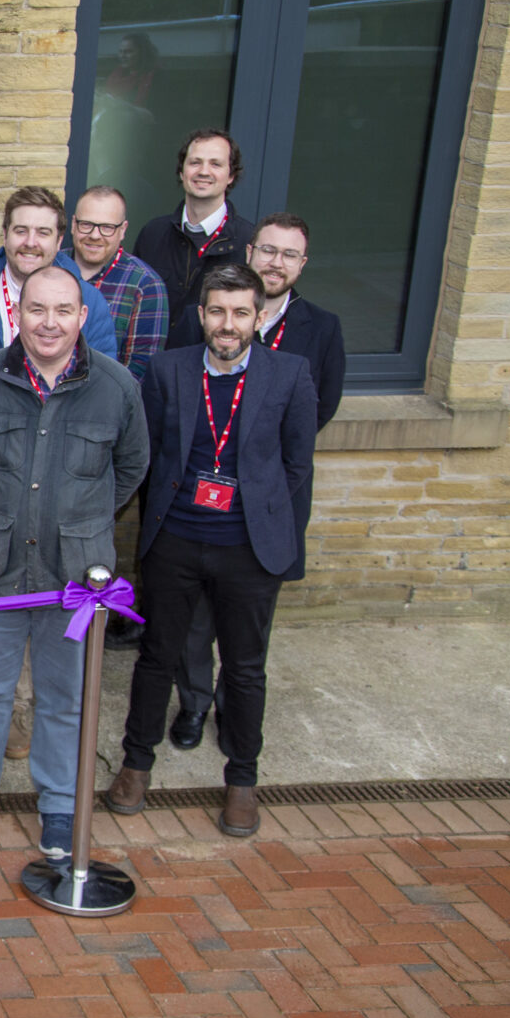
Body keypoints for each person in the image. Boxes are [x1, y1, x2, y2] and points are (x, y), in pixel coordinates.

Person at [0, 266, 149, 858]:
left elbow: (130, 469)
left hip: (74, 580)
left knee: (65, 696)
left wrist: (82, 519)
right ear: (18, 314)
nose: (48, 323)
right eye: (36, 310)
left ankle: (59, 803)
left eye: (62, 311)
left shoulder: (117, 387)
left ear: (82, 318)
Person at [106, 263, 318, 838]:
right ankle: (136, 764)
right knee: (157, 657)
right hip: (174, 543)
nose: (228, 324)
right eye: (218, 311)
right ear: (201, 314)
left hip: (248, 552)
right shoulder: (170, 371)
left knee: (246, 670)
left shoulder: (289, 375)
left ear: (258, 317)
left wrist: (260, 515)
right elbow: (143, 457)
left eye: (241, 313)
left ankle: (242, 780)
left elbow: (297, 466)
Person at [161, 213, 345, 749]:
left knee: (248, 627)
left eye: (289, 255)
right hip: (197, 510)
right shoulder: (208, 317)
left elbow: (316, 417)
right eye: (268, 251)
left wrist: (259, 495)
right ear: (250, 251)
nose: (276, 262)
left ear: (302, 265)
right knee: (193, 624)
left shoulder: (322, 328)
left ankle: (231, 706)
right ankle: (193, 703)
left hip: (267, 508)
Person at [0, 186, 119, 374]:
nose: (30, 242)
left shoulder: (90, 302)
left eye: (43, 232)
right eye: (21, 231)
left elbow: (101, 386)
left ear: (59, 240)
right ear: (5, 234)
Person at [131, 128, 257, 317]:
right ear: (182, 172)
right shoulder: (152, 234)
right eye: (195, 163)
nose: (204, 172)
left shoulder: (249, 242)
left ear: (231, 176)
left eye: (216, 164)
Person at [68, 186, 167, 384]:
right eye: (86, 224)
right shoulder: (51, 268)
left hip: (103, 408)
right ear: (73, 224)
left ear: (122, 230)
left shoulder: (145, 286)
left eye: (107, 227)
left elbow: (138, 371)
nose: (95, 235)